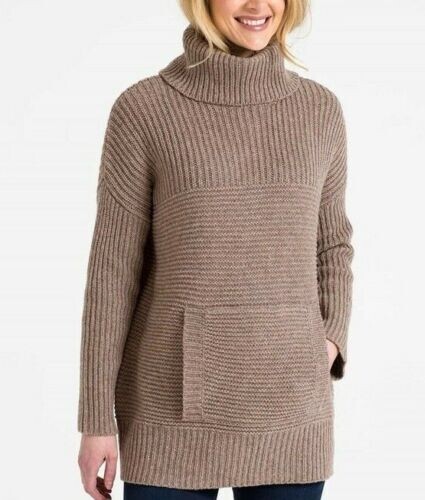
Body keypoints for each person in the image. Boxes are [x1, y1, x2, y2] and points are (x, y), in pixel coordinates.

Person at [77, 1, 355, 499]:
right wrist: (96, 418)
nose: (257, 6)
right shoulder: (144, 110)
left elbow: (332, 244)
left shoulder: (319, 110)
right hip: (167, 411)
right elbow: (112, 272)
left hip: (292, 408)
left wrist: (330, 339)